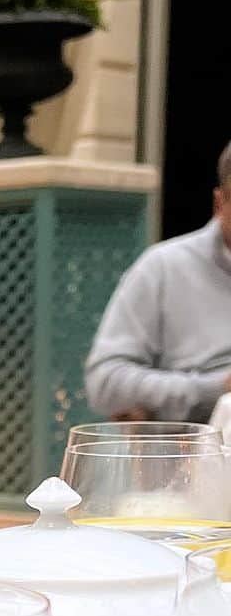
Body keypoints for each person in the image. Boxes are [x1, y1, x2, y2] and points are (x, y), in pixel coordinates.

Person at [85, 142, 231, 422]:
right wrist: (214, 388)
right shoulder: (164, 267)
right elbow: (105, 382)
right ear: (220, 203)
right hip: (195, 453)